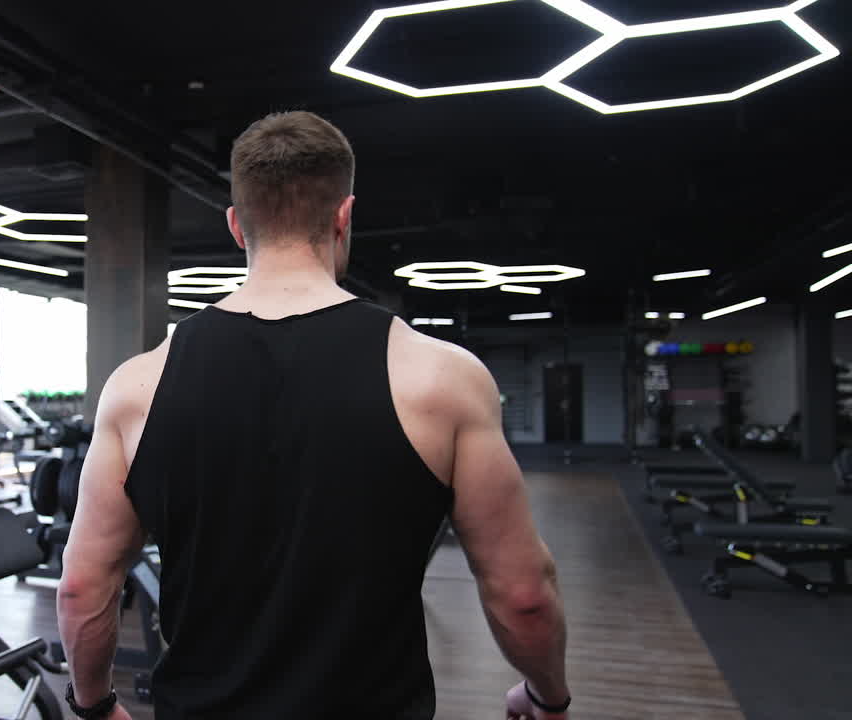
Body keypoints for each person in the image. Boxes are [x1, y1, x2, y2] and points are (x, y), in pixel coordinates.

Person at [57, 111, 570, 720]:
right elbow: (524, 596)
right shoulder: (441, 377)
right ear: (344, 216)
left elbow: (83, 589)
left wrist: (93, 706)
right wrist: (547, 698)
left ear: (236, 227)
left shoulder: (137, 385)